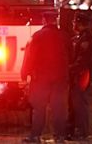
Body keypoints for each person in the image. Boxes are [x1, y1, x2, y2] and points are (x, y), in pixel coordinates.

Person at [21, 12, 72, 143]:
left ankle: (36, 135)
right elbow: (71, 56)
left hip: (41, 78)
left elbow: (29, 56)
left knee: (39, 108)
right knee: (59, 108)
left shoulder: (37, 36)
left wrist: (24, 73)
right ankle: (60, 136)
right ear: (56, 21)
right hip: (60, 78)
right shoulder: (64, 36)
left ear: (44, 20)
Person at [67, 13, 92, 141]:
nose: (73, 24)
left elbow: (83, 59)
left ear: (80, 23)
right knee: (75, 104)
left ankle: (81, 132)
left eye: (75, 22)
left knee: (79, 104)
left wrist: (70, 68)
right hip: (77, 75)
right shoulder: (80, 37)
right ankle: (74, 130)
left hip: (82, 75)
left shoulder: (86, 38)